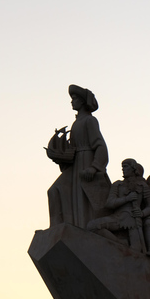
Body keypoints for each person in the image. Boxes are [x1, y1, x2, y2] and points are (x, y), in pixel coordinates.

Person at [47, 85, 111, 228]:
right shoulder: (76, 123)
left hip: (87, 161)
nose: (72, 102)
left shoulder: (90, 120)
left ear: (82, 101)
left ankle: (83, 228)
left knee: (84, 199)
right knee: (55, 190)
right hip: (76, 164)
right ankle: (60, 227)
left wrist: (94, 168)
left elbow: (100, 145)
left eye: (74, 99)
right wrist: (62, 158)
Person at [87, 159, 150, 252]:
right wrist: (126, 199)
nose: (123, 169)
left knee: (136, 250)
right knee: (92, 226)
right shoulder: (117, 185)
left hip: (134, 220)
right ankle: (120, 242)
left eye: (126, 166)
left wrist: (142, 213)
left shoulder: (142, 186)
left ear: (133, 168)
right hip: (118, 218)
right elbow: (110, 203)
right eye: (122, 167)